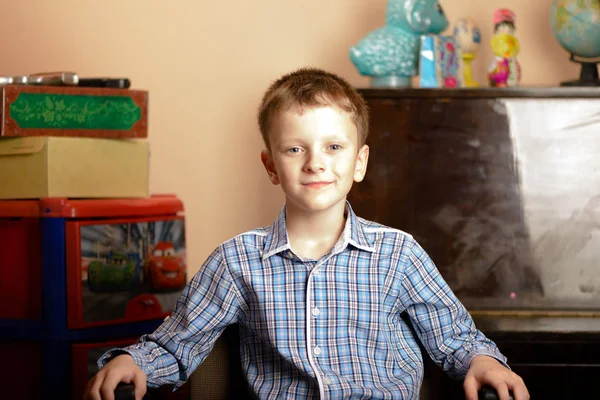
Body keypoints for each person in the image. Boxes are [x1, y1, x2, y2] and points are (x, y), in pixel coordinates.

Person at [84, 67, 529, 400]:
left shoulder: (399, 254)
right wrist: (132, 360)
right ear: (271, 166)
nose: (315, 162)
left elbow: (455, 339)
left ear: (359, 162)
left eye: (334, 147)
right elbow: (178, 342)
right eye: (295, 149)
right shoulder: (236, 261)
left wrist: (483, 360)